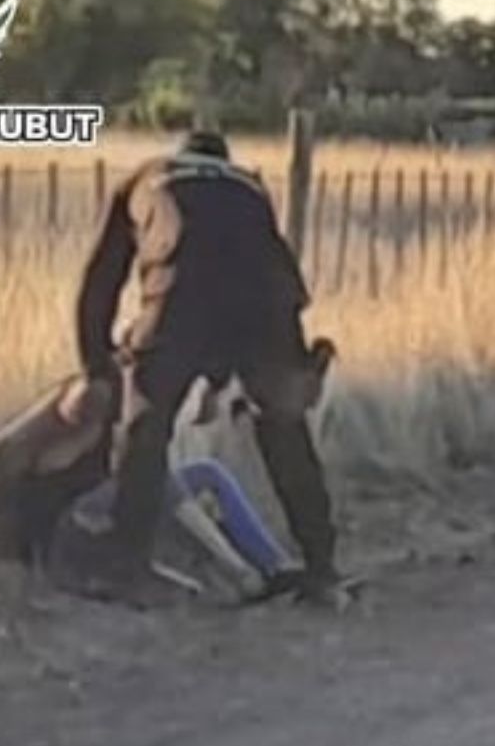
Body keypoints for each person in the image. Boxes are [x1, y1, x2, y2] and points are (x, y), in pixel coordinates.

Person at [71, 128, 346, 603]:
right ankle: (322, 569)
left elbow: (99, 283)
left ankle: (127, 564)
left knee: (146, 428)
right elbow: (257, 267)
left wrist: (98, 365)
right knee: (284, 429)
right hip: (267, 306)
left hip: (178, 299)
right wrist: (266, 368)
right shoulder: (249, 185)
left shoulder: (143, 178)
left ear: (179, 155)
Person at [0, 372, 332, 605]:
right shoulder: (88, 396)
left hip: (105, 522)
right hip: (70, 530)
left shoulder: (137, 410)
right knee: (156, 478)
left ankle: (275, 566)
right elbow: (2, 447)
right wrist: (7, 521)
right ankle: (241, 573)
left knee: (205, 473)